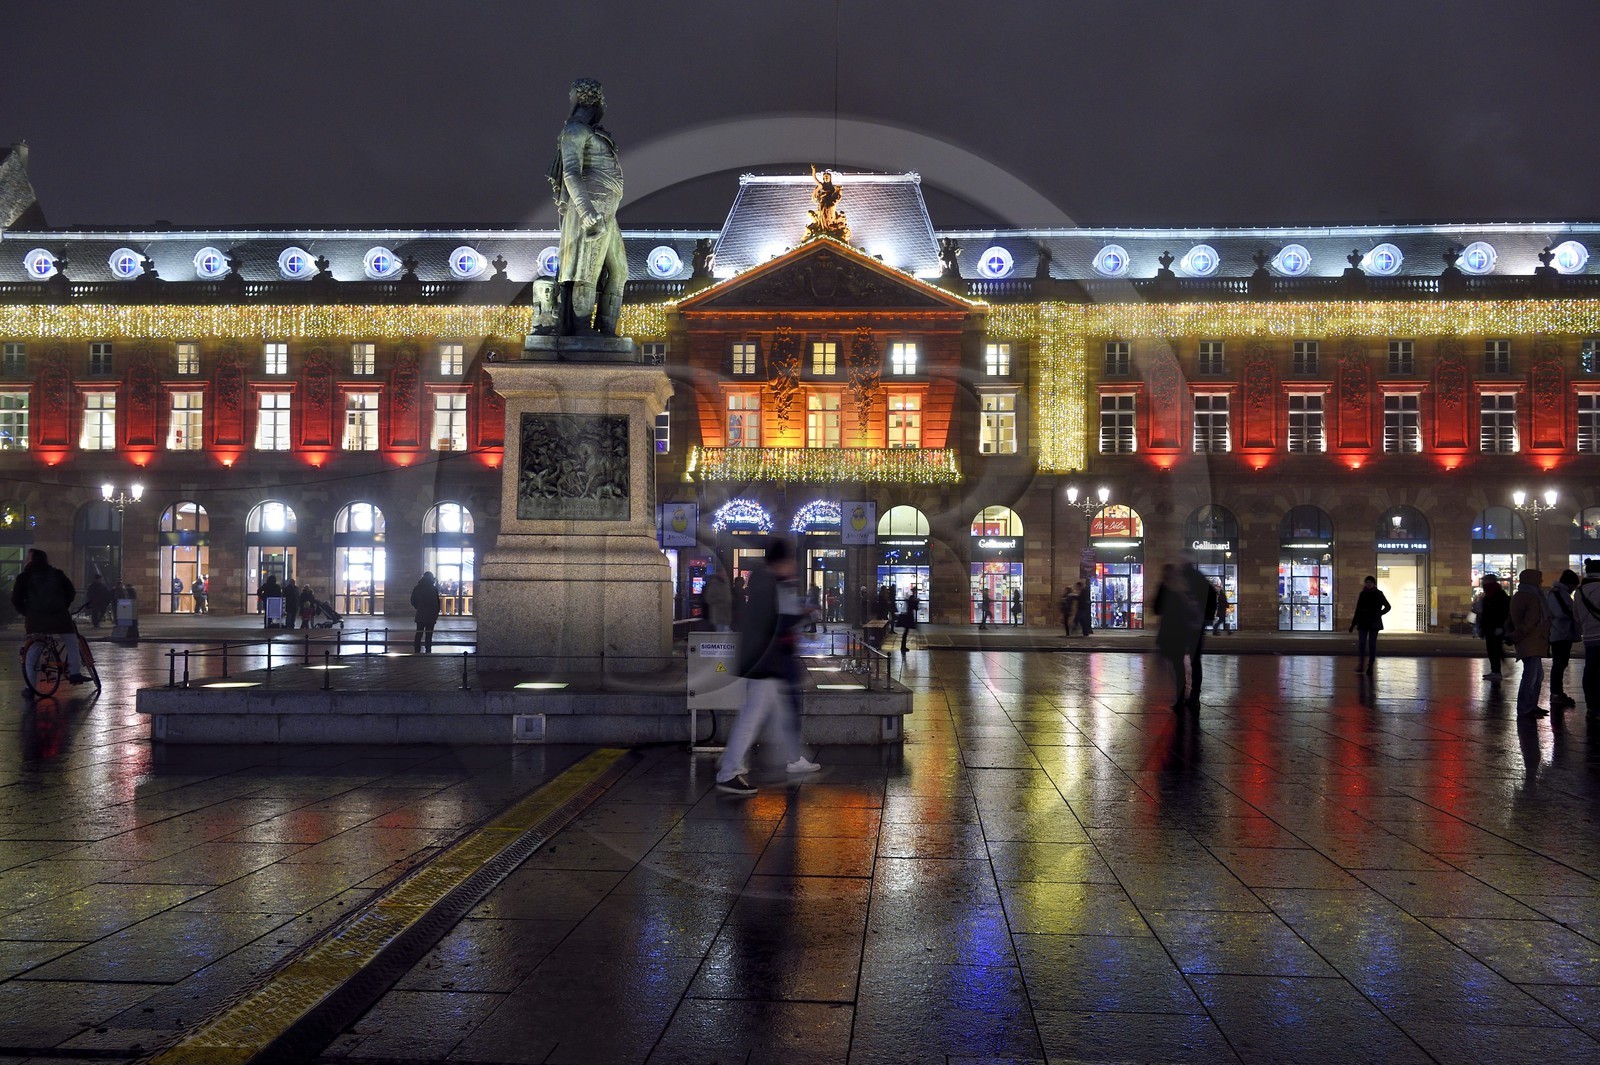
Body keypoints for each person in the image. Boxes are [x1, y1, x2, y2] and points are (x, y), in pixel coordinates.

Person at [716, 538, 819, 795]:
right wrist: (804, 614)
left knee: (778, 715)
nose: (793, 566)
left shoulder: (766, 580)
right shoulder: (766, 582)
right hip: (763, 662)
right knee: (752, 718)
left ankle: (792, 758)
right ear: (781, 562)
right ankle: (729, 770)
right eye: (791, 561)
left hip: (765, 661)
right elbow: (775, 623)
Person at [536, 78, 628, 337]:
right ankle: (580, 331)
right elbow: (571, 173)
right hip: (588, 207)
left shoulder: (591, 132)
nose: (571, 101)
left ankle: (607, 330)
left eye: (572, 96)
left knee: (619, 271)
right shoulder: (574, 131)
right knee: (585, 269)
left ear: (580, 97)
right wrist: (586, 211)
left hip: (606, 209)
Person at [10, 549, 87, 683]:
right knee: (71, 642)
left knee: (33, 651)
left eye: (27, 557)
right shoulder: (57, 574)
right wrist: (63, 606)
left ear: (32, 560)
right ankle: (75, 673)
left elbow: (16, 599)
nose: (25, 560)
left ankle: (30, 687)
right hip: (60, 618)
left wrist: (27, 612)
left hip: (36, 620)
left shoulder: (23, 577)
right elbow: (71, 591)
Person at [1153, 564, 1200, 710]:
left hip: (1171, 631)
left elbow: (1157, 608)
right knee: (1177, 665)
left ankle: (1181, 695)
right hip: (1179, 632)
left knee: (1174, 665)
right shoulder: (1181, 589)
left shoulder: (1166, 588)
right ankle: (1183, 694)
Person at [1507, 569, 1550, 718]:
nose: (1541, 582)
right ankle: (1526, 707)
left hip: (1531, 641)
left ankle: (1530, 705)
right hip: (1531, 641)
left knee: (1536, 675)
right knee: (1532, 676)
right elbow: (1529, 622)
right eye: (1539, 579)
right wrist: (1516, 635)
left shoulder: (1519, 595)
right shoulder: (1533, 597)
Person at [1547, 569, 1580, 711]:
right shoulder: (1559, 594)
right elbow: (1561, 613)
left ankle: (1557, 693)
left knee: (1560, 664)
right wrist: (1574, 614)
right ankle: (1556, 693)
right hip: (1560, 634)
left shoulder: (1558, 593)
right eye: (1574, 585)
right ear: (1569, 583)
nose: (1574, 589)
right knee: (1559, 664)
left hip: (1559, 633)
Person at [1348, 575, 1392, 674]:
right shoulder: (1363, 594)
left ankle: (1370, 666)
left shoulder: (1378, 594)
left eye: (1370, 582)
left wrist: (1379, 614)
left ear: (1374, 583)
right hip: (1363, 622)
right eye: (1367, 582)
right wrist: (1353, 624)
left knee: (1372, 644)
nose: (1368, 584)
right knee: (1362, 644)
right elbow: (1358, 610)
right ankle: (1361, 664)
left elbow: (1388, 606)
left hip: (1373, 622)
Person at [1575, 559, 1600, 721]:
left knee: (1590, 672)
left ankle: (1591, 707)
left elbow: (1576, 616)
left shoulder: (1579, 592)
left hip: (1589, 638)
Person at [1478, 574, 1511, 680]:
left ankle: (1497, 671)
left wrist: (1500, 626)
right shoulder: (1491, 595)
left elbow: (1502, 612)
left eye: (1485, 581)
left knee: (1494, 649)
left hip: (1495, 627)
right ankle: (1497, 670)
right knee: (1494, 649)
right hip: (1491, 627)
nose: (1483, 584)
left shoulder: (1497, 595)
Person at [410, 571, 441, 653]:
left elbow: (413, 600)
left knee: (419, 633)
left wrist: (418, 607)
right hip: (431, 615)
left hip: (421, 613)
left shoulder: (418, 588)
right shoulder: (433, 589)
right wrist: (436, 613)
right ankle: (428, 650)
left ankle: (417, 651)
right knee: (429, 635)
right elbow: (437, 603)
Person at [900, 587, 920, 653]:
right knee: (906, 632)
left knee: (906, 632)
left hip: (909, 615)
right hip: (909, 616)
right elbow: (914, 606)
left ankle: (903, 646)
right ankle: (903, 646)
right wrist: (917, 602)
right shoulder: (912, 597)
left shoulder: (912, 597)